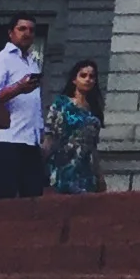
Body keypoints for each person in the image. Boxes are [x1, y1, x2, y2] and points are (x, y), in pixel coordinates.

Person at [0, 15, 49, 200]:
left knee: (33, 197)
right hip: (7, 139)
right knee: (5, 194)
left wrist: (41, 134)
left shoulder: (33, 62)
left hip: (31, 141)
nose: (27, 33)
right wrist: (18, 88)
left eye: (31, 30)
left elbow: (34, 101)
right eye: (22, 29)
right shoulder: (0, 61)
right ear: (11, 33)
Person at [45, 60, 105, 196]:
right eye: (83, 76)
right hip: (63, 167)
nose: (88, 79)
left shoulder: (94, 110)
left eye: (91, 76)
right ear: (74, 80)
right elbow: (50, 135)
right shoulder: (63, 104)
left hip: (85, 171)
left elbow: (93, 148)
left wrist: (100, 176)